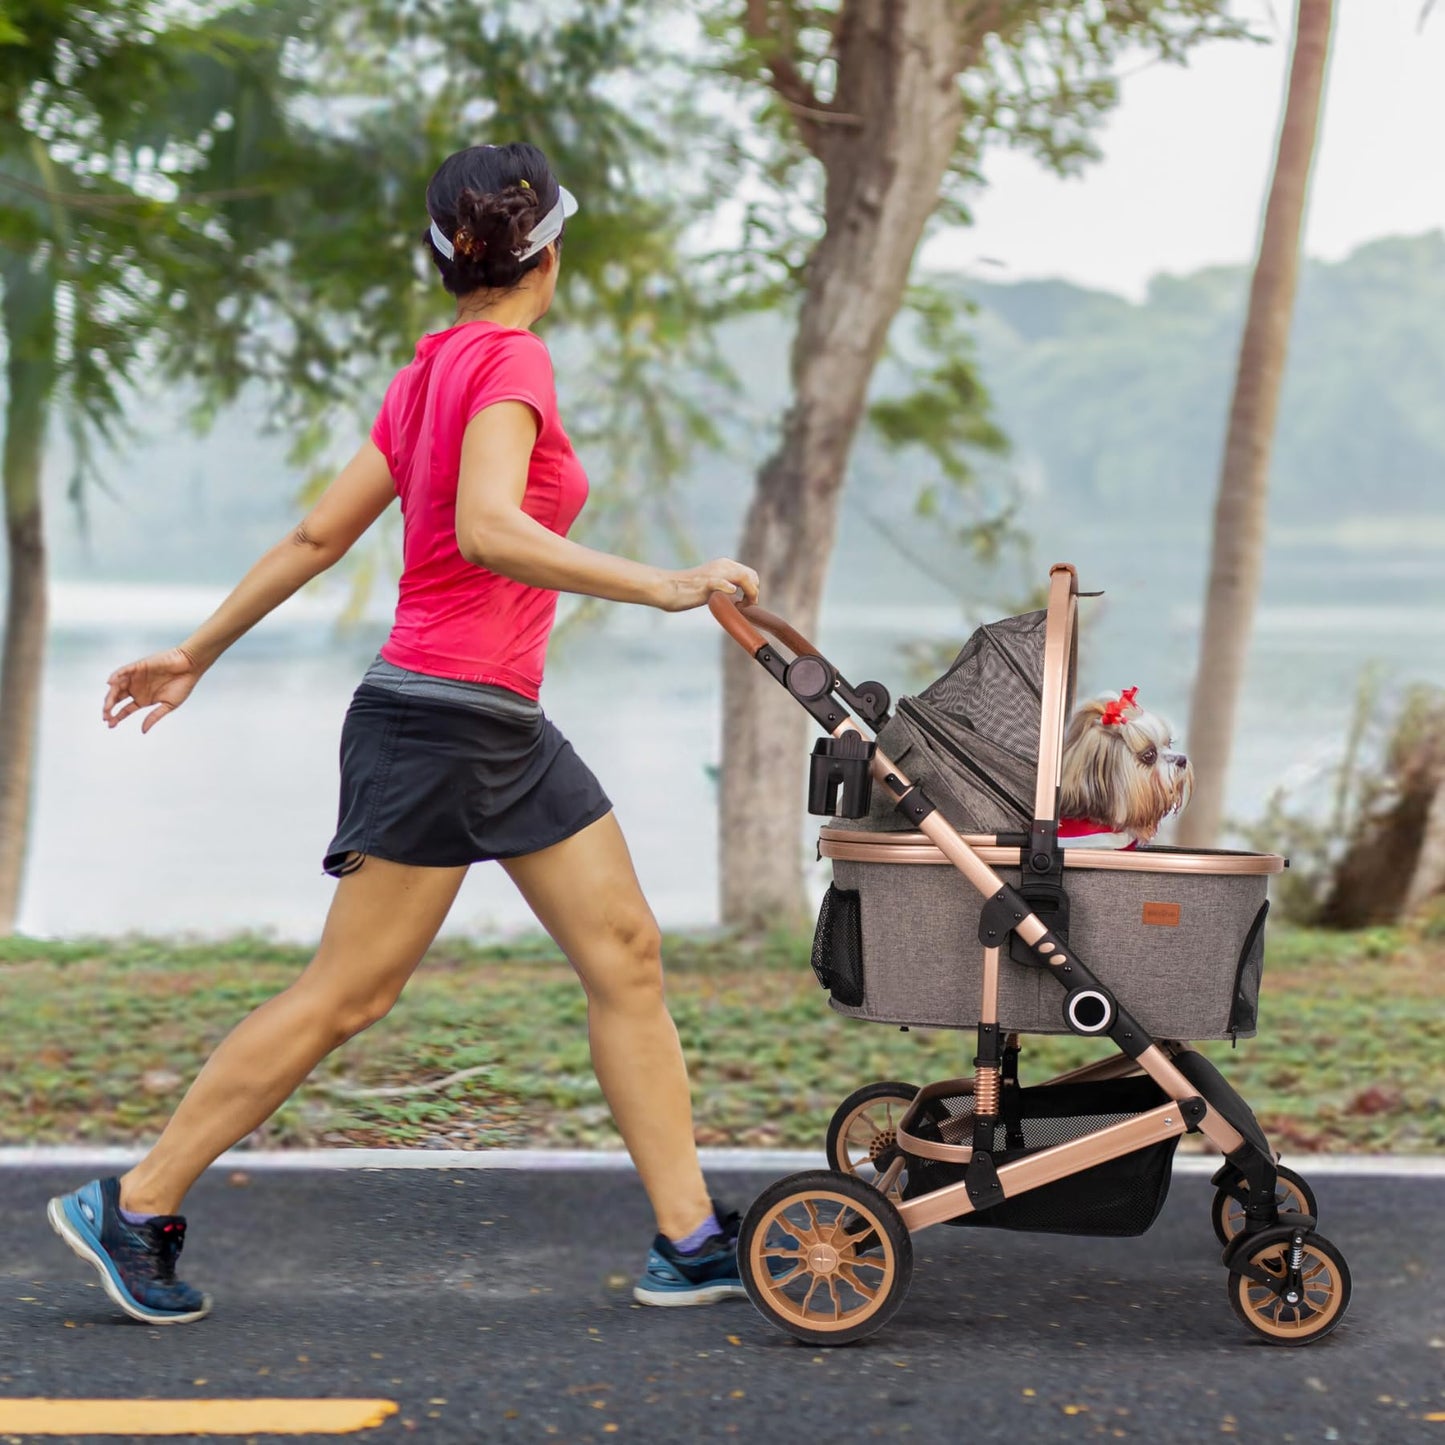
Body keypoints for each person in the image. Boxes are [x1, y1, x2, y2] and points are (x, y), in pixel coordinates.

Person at [47, 141, 760, 1324]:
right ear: (550, 249)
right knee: (348, 992)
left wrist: (196, 650)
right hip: (440, 718)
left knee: (625, 951)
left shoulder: (433, 371)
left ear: (447, 254)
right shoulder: (506, 363)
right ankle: (136, 1199)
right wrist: (665, 585)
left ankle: (686, 1236)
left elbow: (317, 537)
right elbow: (485, 529)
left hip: (494, 720)